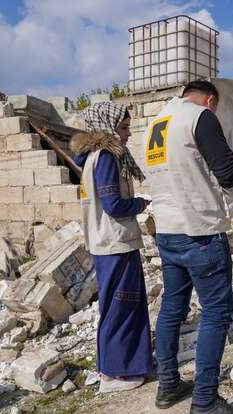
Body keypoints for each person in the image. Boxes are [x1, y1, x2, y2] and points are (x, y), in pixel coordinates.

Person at [143, 80, 233, 414]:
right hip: (199, 229)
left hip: (168, 232)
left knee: (173, 308)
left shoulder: (156, 123)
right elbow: (229, 175)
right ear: (210, 100)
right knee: (216, 312)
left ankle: (168, 384)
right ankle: (204, 400)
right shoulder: (200, 116)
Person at [71, 102, 153, 393]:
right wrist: (140, 204)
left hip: (107, 244)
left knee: (116, 306)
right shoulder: (106, 157)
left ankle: (115, 367)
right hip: (114, 243)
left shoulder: (92, 156)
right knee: (121, 306)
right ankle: (116, 373)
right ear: (108, 126)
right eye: (123, 127)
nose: (128, 134)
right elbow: (113, 204)